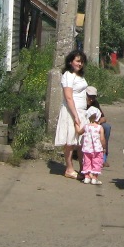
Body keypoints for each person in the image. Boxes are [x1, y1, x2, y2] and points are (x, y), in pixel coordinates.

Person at [53, 49, 89, 180]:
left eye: (82, 62)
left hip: (81, 111)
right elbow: (68, 97)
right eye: (78, 61)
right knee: (70, 141)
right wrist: (75, 116)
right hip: (71, 111)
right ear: (70, 61)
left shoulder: (80, 76)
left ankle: (83, 168)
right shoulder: (68, 75)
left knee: (81, 142)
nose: (80, 64)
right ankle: (69, 168)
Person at [80, 107, 106, 185]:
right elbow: (102, 139)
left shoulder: (86, 126)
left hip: (87, 149)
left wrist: (76, 125)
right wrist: (104, 147)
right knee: (97, 163)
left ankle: (87, 177)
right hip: (97, 150)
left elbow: (79, 132)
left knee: (86, 163)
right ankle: (94, 178)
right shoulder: (99, 127)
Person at [85, 87, 111, 167]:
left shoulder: (95, 103)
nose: (91, 99)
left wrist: (98, 122)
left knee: (106, 127)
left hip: (94, 124)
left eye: (93, 97)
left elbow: (104, 118)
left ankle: (103, 157)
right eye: (89, 97)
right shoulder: (81, 103)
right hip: (84, 124)